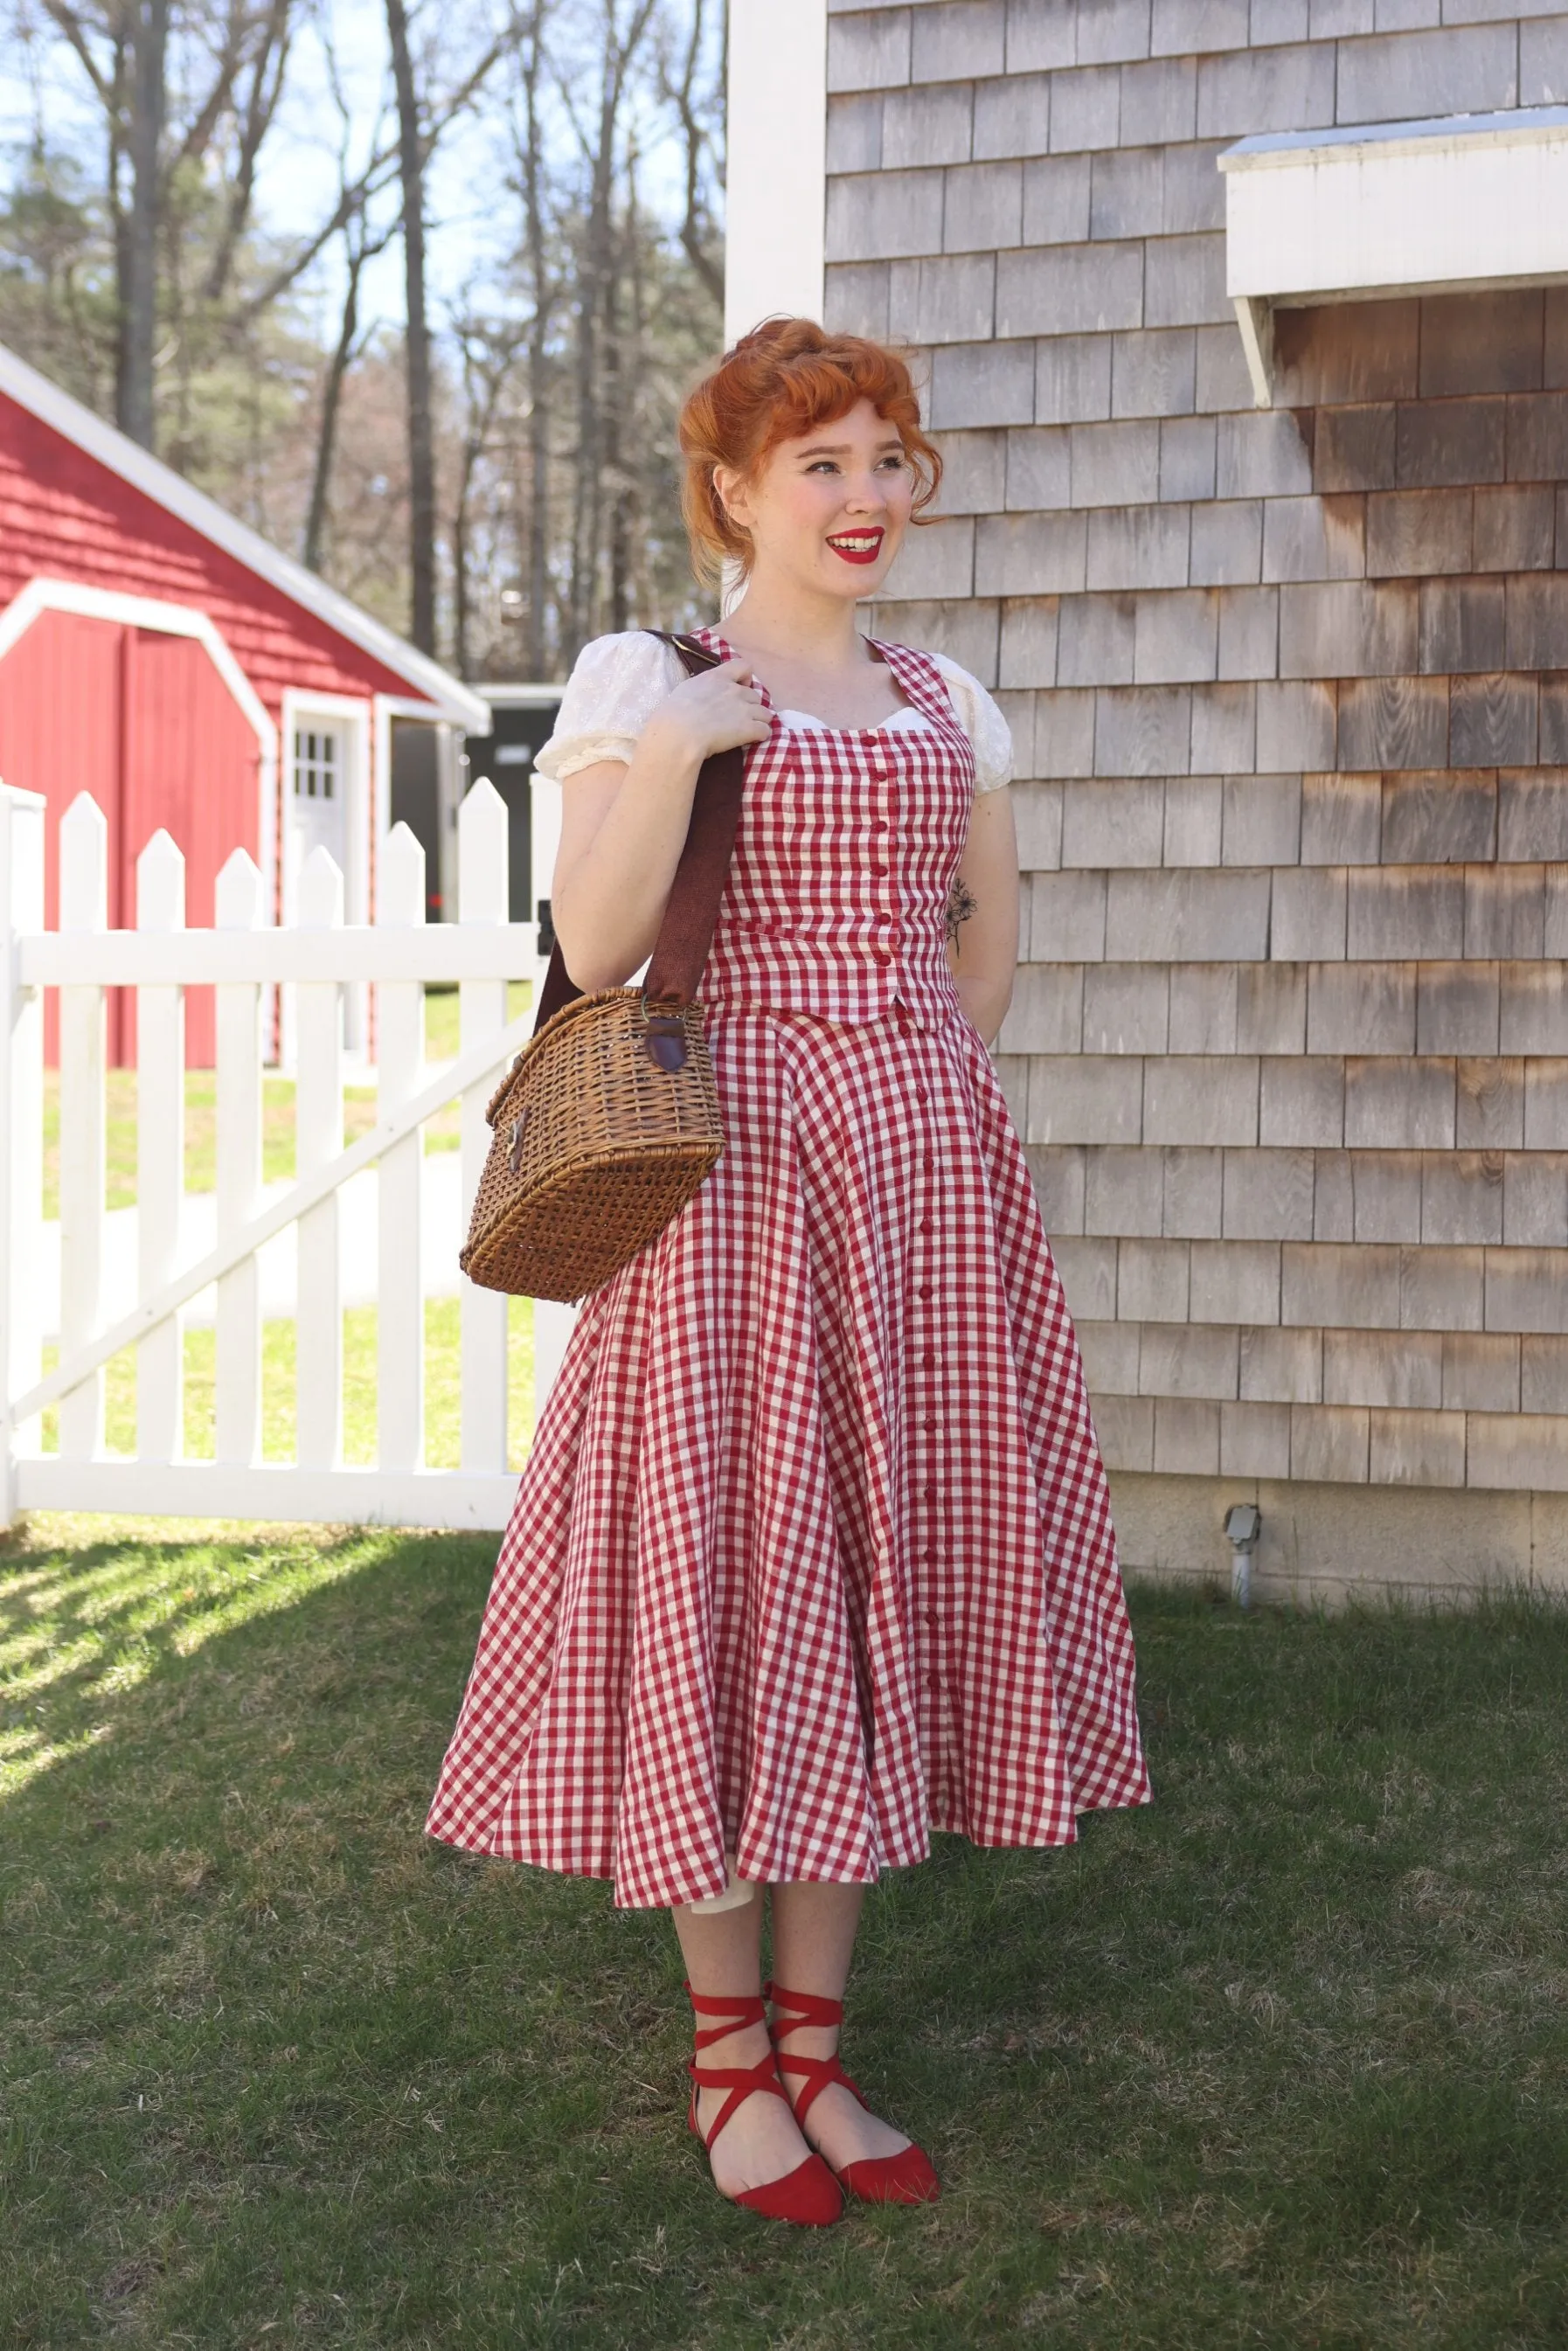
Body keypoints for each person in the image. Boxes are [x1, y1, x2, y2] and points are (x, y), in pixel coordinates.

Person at [427, 319, 1149, 2226]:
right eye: (820, 462)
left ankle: (819, 2053)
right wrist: (675, 744)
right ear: (734, 487)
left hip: (917, 1200)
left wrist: (903, 1071)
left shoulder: (947, 702)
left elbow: (980, 953)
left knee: (873, 1586)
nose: (864, 497)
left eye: (889, 460)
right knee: (734, 1586)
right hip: (726, 1199)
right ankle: (728, 2063)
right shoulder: (649, 678)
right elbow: (591, 939)